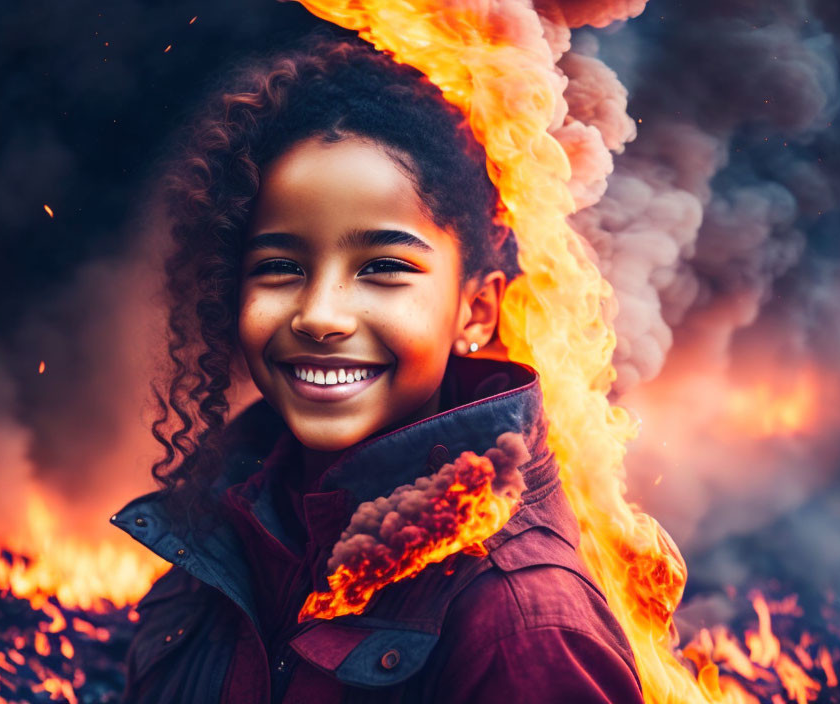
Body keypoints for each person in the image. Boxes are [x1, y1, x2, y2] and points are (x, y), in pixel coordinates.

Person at [111, 28, 644, 704]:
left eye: (383, 268)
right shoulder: (219, 538)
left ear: (475, 311)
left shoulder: (521, 626)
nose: (321, 315)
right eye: (280, 267)